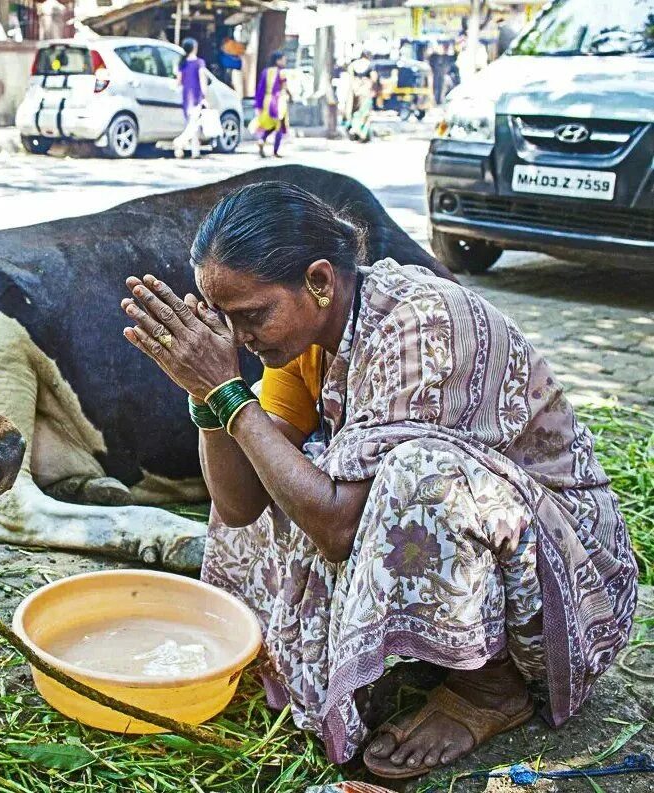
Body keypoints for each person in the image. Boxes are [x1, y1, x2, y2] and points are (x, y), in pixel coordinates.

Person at [119, 181, 636, 780]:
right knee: (269, 453)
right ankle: (422, 655)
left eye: (252, 316)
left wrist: (230, 395)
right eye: (225, 322)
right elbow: (239, 509)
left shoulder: (419, 321)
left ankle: (493, 688)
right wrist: (206, 398)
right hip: (489, 554)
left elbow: (338, 527)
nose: (238, 338)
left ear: (319, 280)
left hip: (567, 567)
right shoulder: (303, 341)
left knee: (417, 476)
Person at [172, 37, 209, 160]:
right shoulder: (199, 63)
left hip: (186, 98)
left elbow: (178, 82)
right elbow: (203, 81)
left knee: (193, 125)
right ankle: (179, 143)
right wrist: (204, 96)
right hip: (196, 98)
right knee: (193, 126)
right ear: (194, 48)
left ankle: (195, 152)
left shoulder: (182, 64)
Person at [252, 50, 291, 157]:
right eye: (283, 59)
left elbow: (260, 89)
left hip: (267, 101)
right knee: (279, 126)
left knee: (271, 125)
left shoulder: (266, 71)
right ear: (278, 61)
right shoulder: (282, 72)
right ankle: (275, 151)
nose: (285, 61)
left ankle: (262, 140)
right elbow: (285, 87)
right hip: (278, 101)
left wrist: (258, 105)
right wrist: (290, 96)